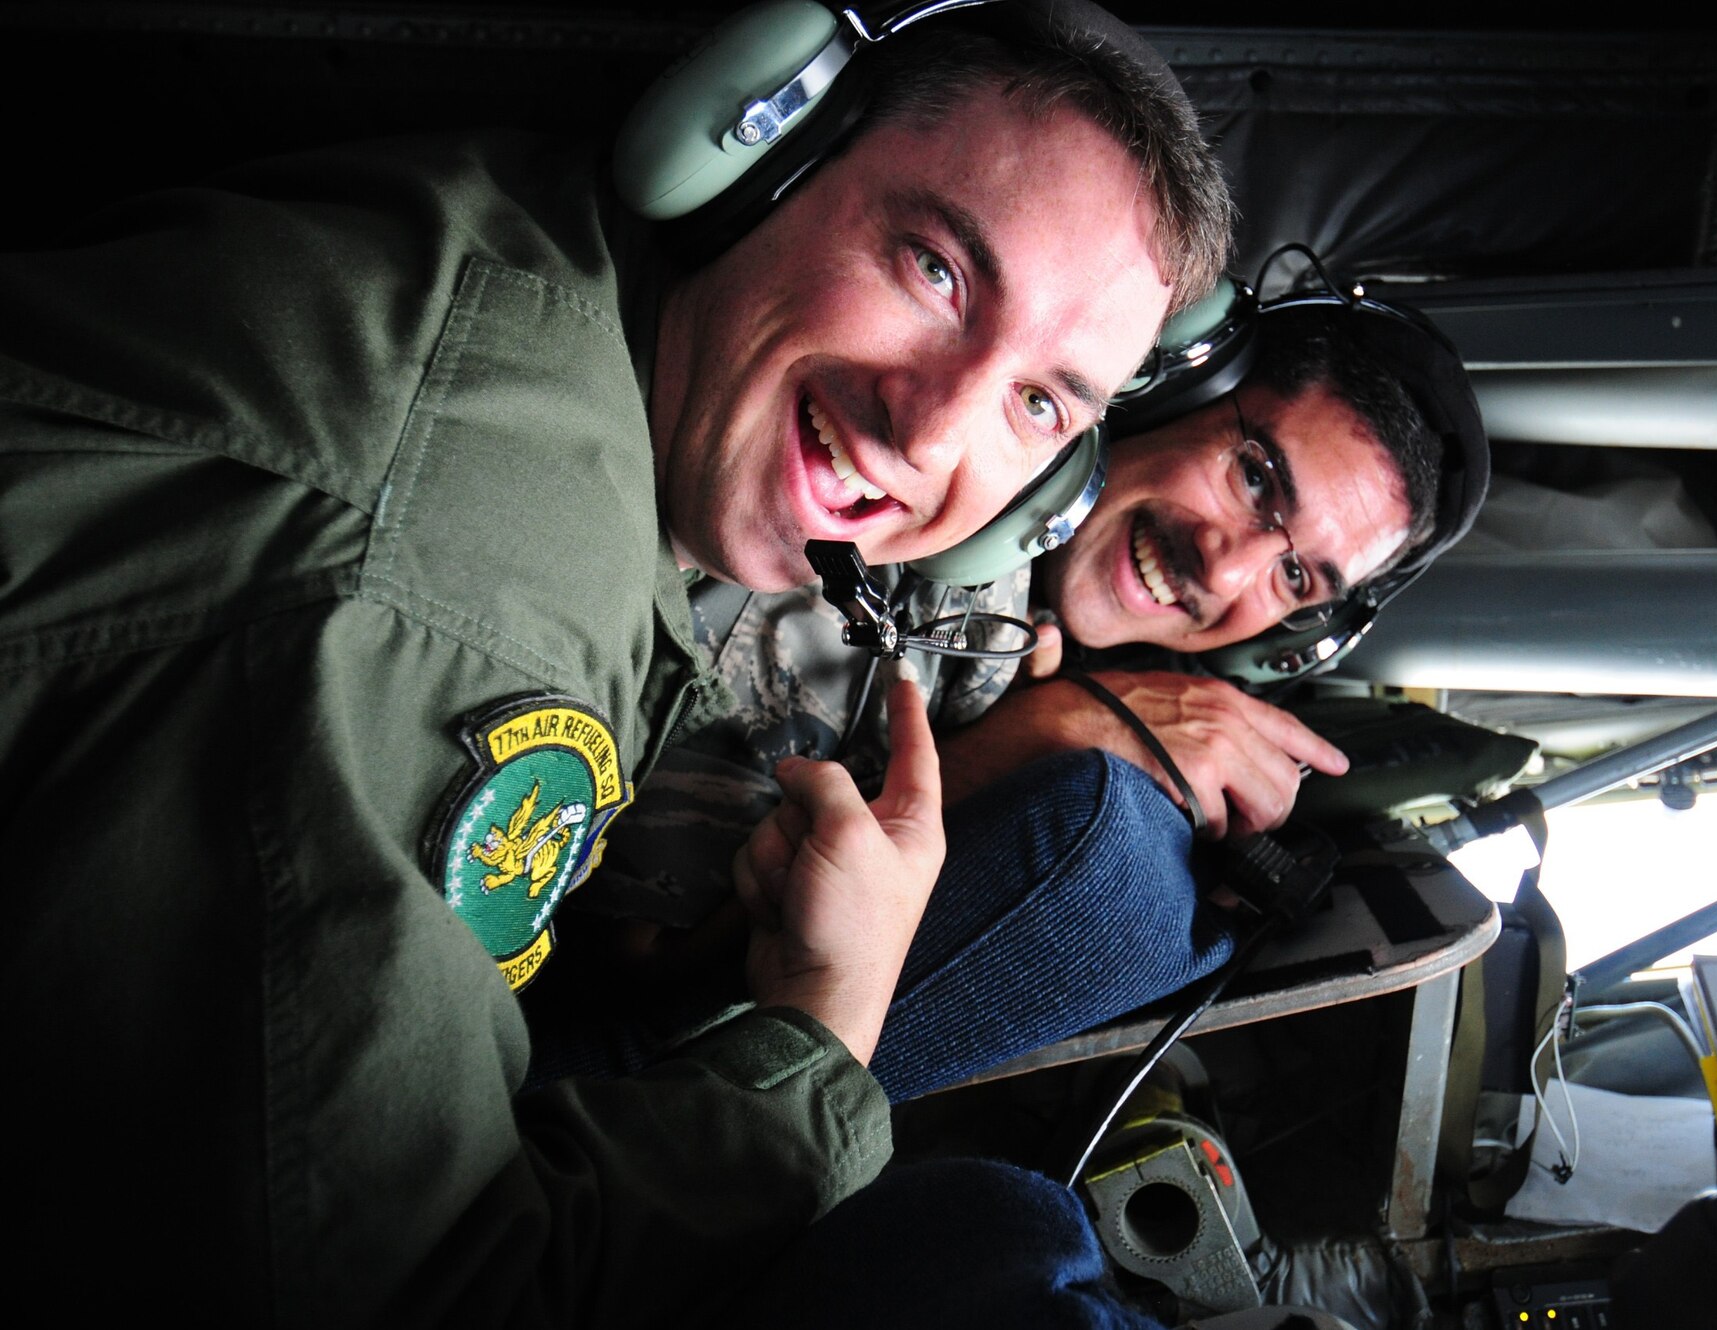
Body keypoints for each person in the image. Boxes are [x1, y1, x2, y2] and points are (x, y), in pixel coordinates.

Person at [0, 2, 1231, 1321]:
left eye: (1037, 402)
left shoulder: (553, 306)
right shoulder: (469, 571)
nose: (934, 433)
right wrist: (825, 1026)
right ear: (753, 161)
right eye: (935, 270)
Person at [565, 296, 1478, 1101]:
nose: (1226, 567)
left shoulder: (1082, 658)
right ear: (1168, 388)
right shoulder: (898, 517)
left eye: (1294, 577)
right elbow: (634, 974)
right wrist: (1050, 734)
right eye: (1254, 478)